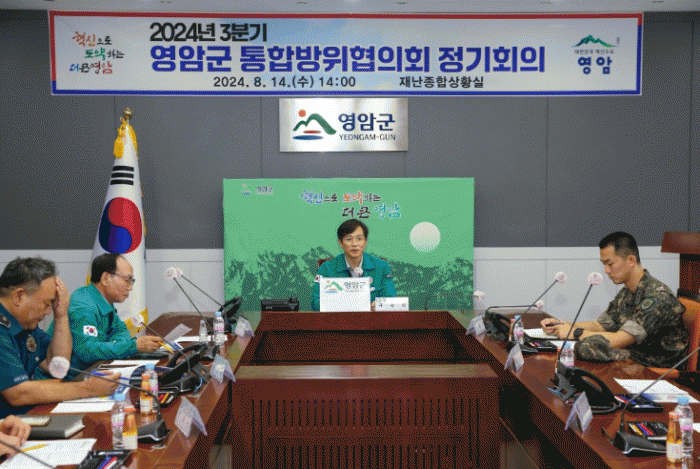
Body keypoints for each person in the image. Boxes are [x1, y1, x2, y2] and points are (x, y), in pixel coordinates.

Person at [541, 232, 688, 367]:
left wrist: (574, 332)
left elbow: (619, 340)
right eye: (604, 264)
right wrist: (561, 324)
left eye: (610, 264)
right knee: (586, 347)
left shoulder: (656, 297)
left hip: (654, 366)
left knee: (588, 347)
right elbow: (600, 325)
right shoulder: (627, 292)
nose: (606, 270)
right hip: (634, 356)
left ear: (631, 260)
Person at [0, 257, 119, 418]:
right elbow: (18, 393)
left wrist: (61, 315)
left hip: (24, 418)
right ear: (18, 296)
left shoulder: (25, 323)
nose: (48, 311)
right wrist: (89, 388)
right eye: (46, 303)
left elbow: (58, 367)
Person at [48, 254, 161, 381]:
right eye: (127, 280)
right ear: (106, 278)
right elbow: (87, 351)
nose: (130, 287)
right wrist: (132, 346)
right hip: (65, 381)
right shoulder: (84, 305)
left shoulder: (102, 300)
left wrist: (112, 347)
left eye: (131, 281)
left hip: (91, 373)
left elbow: (121, 330)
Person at [311, 219, 396, 311]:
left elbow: (391, 299)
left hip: (371, 319)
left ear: (365, 241)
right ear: (340, 242)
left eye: (359, 239)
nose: (355, 244)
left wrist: (380, 305)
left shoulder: (381, 266)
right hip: (338, 319)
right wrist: (347, 305)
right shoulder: (327, 268)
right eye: (349, 239)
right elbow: (315, 303)